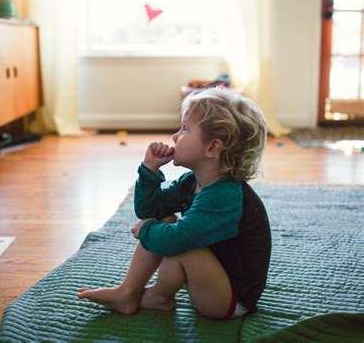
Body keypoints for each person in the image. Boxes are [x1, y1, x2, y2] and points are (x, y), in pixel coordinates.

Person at [78, 87, 271, 320]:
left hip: (231, 300)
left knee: (181, 241)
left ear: (212, 148)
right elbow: (150, 211)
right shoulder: (191, 182)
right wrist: (150, 172)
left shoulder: (224, 197)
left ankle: (159, 296)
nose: (174, 136)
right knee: (164, 221)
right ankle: (128, 292)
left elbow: (177, 239)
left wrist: (147, 230)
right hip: (211, 279)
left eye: (184, 129)